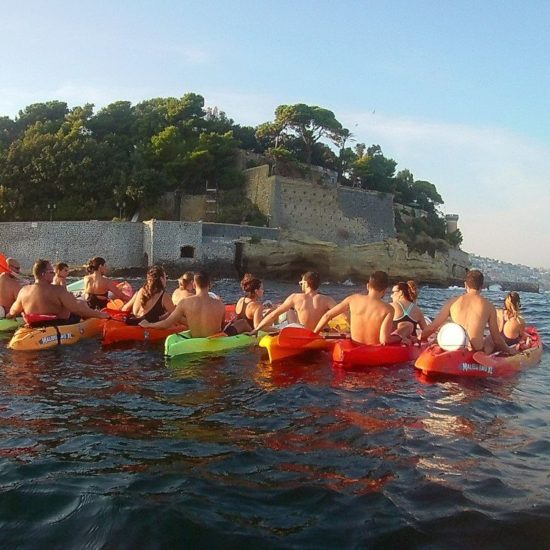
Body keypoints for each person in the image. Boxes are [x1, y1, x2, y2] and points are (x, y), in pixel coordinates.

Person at [421, 269, 517, 354]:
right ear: (482, 286)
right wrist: (509, 350)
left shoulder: (453, 302)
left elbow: (432, 328)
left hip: (454, 348)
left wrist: (421, 339)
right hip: (474, 351)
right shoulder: (489, 306)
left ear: (465, 285)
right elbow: (497, 339)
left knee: (437, 338)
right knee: (490, 339)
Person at [8, 259, 109, 325]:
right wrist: (100, 315)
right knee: (80, 308)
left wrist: (8, 317)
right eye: (51, 272)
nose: (54, 274)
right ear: (43, 274)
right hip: (57, 325)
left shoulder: (23, 291)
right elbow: (78, 310)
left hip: (34, 326)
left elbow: (13, 311)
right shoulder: (58, 290)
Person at [313, 270, 398, 345]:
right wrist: (399, 337)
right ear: (385, 290)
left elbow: (328, 315)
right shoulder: (388, 309)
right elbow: (384, 340)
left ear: (368, 286)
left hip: (353, 349)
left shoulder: (353, 299)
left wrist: (314, 334)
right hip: (373, 353)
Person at [140, 271, 225, 337]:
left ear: (194, 285)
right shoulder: (220, 304)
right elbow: (221, 328)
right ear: (209, 285)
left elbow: (166, 324)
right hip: (215, 348)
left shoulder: (184, 303)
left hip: (194, 346)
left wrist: (148, 325)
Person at [251, 271, 336, 334]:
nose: (301, 285)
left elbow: (274, 314)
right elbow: (344, 316)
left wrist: (256, 329)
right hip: (318, 334)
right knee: (329, 328)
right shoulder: (327, 300)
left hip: (303, 334)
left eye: (301, 283)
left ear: (306, 284)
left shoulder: (295, 297)